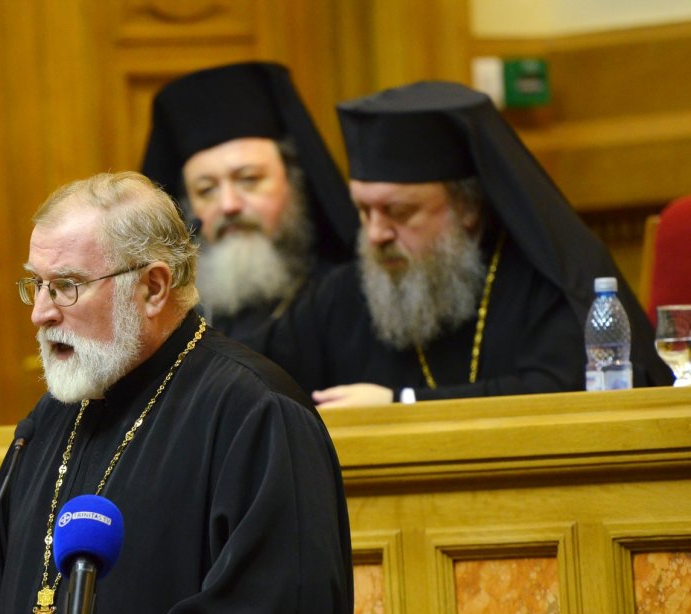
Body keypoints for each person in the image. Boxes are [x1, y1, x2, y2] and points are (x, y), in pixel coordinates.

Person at [0, 172, 366, 614]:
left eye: (67, 286)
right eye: (36, 284)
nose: (41, 311)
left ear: (153, 287)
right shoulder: (45, 427)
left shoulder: (256, 413)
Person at [269, 81, 673, 407]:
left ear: (467, 206)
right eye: (363, 211)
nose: (375, 234)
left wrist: (402, 404)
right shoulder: (342, 295)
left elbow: (567, 392)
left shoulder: (547, 282)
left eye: (400, 212)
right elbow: (261, 374)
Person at [140, 62, 359, 353]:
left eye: (249, 180)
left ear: (293, 182)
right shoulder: (172, 319)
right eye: (206, 190)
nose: (229, 205)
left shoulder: (344, 296)